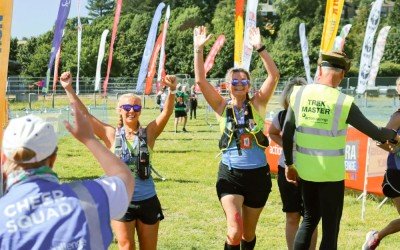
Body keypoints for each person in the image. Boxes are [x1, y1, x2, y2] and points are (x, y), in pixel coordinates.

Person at [282, 51, 400, 250]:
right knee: (330, 229)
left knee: (309, 221)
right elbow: (374, 131)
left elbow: (286, 134)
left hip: (306, 172)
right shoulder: (343, 102)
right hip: (331, 176)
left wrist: (288, 164)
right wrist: (394, 136)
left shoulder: (298, 93)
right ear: (343, 75)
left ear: (320, 69)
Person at [60, 71, 177, 250]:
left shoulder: (149, 133)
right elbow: (85, 116)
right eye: (127, 107)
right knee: (126, 246)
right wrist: (68, 89)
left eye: (136, 108)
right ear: (119, 110)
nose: (132, 111)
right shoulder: (111, 134)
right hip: (121, 201)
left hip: (148, 200)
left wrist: (172, 91)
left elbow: (167, 112)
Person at [0, 103, 134, 249]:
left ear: (3, 158)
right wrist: (89, 139)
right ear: (53, 158)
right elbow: (124, 177)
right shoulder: (92, 195)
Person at [194, 25, 279, 249]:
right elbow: (201, 81)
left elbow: (274, 75)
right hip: (230, 175)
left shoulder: (258, 103)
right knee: (234, 231)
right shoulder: (222, 106)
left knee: (248, 235)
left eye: (244, 82)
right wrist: (199, 50)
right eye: (235, 81)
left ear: (249, 85)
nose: (239, 85)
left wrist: (260, 48)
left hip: (258, 176)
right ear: (227, 85)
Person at [268, 77, 317, 250]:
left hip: (311, 171)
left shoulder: (313, 117)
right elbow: (272, 132)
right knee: (292, 215)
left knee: (310, 217)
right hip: (286, 170)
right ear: (287, 97)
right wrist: (285, 145)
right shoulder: (281, 116)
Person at [362, 76, 400, 250]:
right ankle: (375, 237)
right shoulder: (398, 116)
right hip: (397, 173)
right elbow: (379, 138)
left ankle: (376, 237)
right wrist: (395, 148)